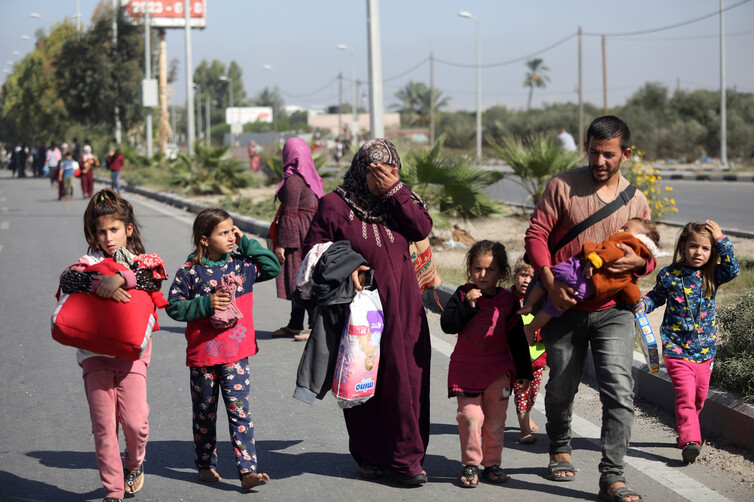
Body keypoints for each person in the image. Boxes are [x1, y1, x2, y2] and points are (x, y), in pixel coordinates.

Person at [524, 115, 654, 502]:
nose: (600, 162)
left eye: (609, 155)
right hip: (563, 307)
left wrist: (640, 265)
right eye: (594, 153)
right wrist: (549, 283)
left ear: (625, 154)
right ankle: (559, 445)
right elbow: (537, 234)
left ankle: (612, 475)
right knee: (562, 384)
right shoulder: (562, 185)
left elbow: (649, 254)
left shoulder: (636, 200)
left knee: (618, 388)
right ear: (586, 148)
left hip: (614, 310)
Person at [302, 138, 433, 485]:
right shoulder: (334, 204)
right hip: (361, 313)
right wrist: (349, 269)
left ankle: (406, 461)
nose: (387, 176)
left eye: (393, 170)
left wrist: (396, 192)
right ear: (362, 170)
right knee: (363, 379)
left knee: (406, 382)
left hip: (405, 311)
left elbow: (422, 228)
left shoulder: (401, 201)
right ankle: (370, 456)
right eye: (378, 171)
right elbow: (315, 254)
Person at [57, 188, 167, 502]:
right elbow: (68, 280)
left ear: (128, 230)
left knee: (135, 422)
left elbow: (152, 279)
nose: (108, 237)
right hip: (94, 355)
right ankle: (113, 491)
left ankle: (134, 462)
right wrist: (97, 282)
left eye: (114, 230)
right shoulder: (86, 262)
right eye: (101, 231)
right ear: (93, 233)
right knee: (104, 428)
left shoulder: (141, 261)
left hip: (132, 354)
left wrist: (120, 279)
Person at [166, 208, 280, 491]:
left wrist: (246, 241)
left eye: (232, 231)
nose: (230, 237)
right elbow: (174, 307)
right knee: (205, 412)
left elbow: (273, 267)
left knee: (240, 412)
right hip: (203, 356)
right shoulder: (189, 272)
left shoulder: (242, 266)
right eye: (223, 232)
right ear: (204, 239)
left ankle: (248, 471)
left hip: (236, 355)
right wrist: (206, 305)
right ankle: (205, 463)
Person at [640, 220, 739, 465]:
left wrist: (721, 240)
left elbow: (733, 269)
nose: (699, 252)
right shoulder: (669, 275)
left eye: (705, 248)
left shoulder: (712, 274)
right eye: (693, 246)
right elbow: (656, 297)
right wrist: (643, 304)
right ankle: (690, 441)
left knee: (698, 398)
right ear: (683, 247)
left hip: (705, 350)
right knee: (685, 395)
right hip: (675, 347)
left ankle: (688, 429)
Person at [440, 240, 533, 488]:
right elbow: (448, 325)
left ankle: (491, 464)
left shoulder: (508, 301)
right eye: (477, 269)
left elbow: (516, 337)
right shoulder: (462, 294)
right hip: (466, 370)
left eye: (490, 270)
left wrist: (524, 371)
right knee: (469, 417)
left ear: (501, 273)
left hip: (498, 371)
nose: (482, 275)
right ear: (470, 269)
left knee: (495, 421)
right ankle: (470, 464)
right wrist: (467, 305)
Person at [521, 218, 660, 342]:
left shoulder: (629, 243)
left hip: (574, 266)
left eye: (625, 228)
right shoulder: (629, 259)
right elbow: (630, 288)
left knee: (546, 280)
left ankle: (529, 304)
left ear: (641, 238)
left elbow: (610, 251)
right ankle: (531, 328)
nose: (619, 230)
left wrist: (594, 259)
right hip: (582, 284)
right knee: (552, 308)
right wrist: (635, 302)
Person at [270, 138, 325, 341]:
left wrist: (283, 244)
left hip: (297, 234)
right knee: (300, 278)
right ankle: (295, 324)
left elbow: (290, 213)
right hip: (307, 230)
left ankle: (313, 326)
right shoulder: (310, 176)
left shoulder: (293, 180)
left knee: (300, 280)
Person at [509, 258, 546, 445]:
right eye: (523, 275)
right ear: (515, 276)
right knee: (521, 393)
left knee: (532, 394)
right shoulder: (509, 300)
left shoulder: (541, 300)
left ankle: (528, 415)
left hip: (537, 359)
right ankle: (524, 430)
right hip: (516, 360)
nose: (526, 280)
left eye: (532, 277)